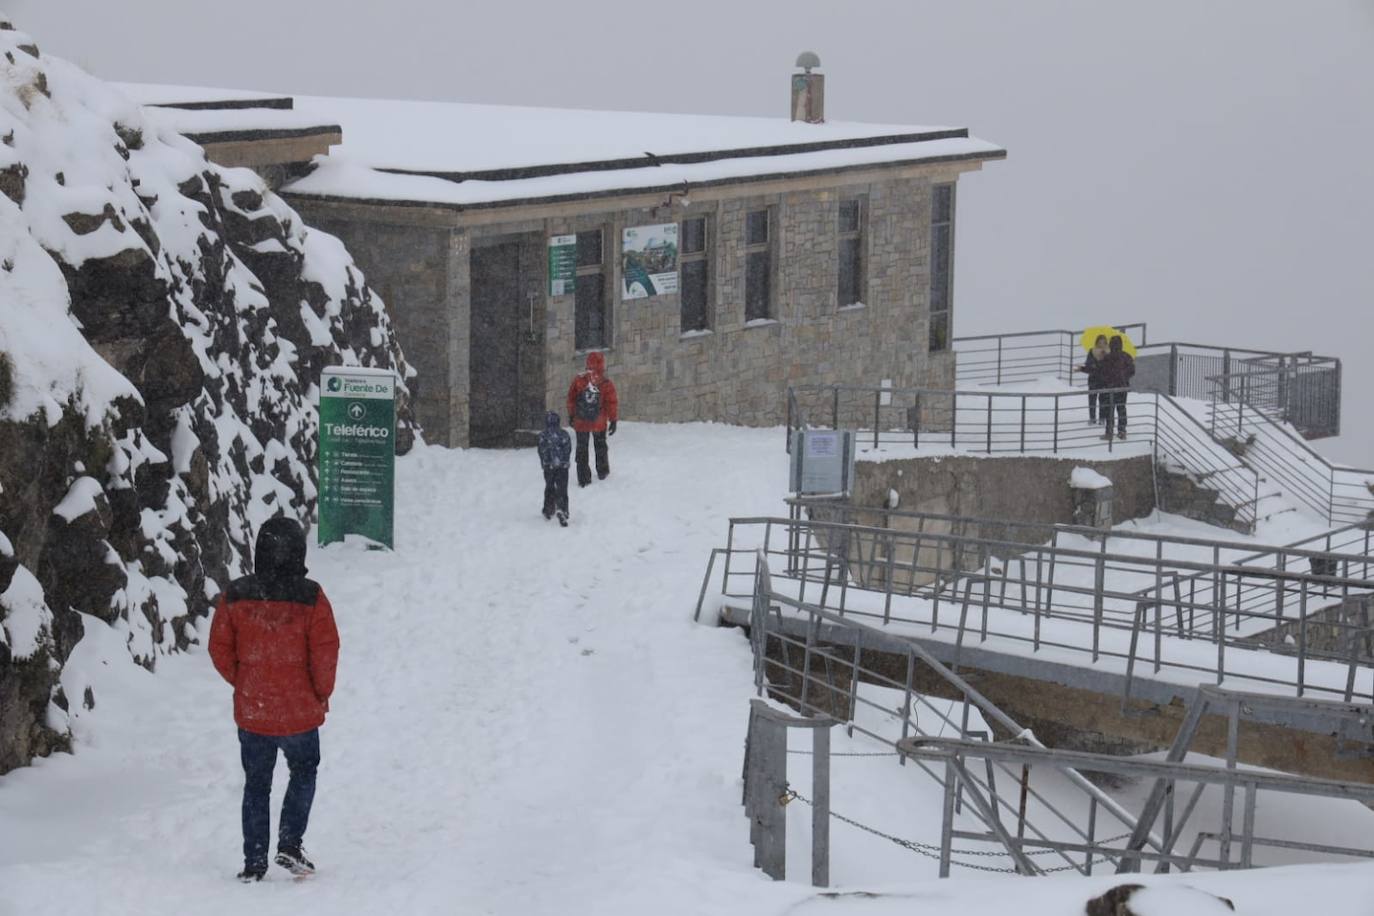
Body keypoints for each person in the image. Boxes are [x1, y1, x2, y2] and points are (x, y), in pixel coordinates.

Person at [209, 517, 339, 883]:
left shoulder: (235, 595)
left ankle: (254, 863)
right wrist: (319, 692)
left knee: (256, 783)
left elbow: (219, 648)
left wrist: (245, 681)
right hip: (299, 712)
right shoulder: (312, 596)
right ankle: (290, 843)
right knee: (303, 770)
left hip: (253, 711)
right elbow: (325, 652)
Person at [565, 351, 619, 487]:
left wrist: (572, 415)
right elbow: (611, 402)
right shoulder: (605, 382)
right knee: (600, 445)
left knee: (582, 448)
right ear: (602, 365)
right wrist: (613, 420)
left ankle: (583, 478)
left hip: (581, 421)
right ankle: (602, 471)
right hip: (598, 421)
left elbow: (571, 399)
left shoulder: (579, 379)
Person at [1097, 335, 1135, 441]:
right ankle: (1122, 431)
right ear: (1121, 344)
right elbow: (1132, 371)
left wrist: (1107, 380)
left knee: (1110, 410)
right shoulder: (1127, 356)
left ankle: (1109, 433)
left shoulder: (1107, 358)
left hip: (1110, 388)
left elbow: (1101, 373)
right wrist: (1124, 377)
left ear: (1110, 345)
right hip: (1122, 388)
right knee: (1121, 408)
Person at [537, 410, 572, 526]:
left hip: (549, 466)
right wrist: (564, 461)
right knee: (562, 488)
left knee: (550, 486)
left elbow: (542, 451)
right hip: (562, 466)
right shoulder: (564, 434)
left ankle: (549, 509)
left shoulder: (543, 435)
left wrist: (545, 462)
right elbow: (568, 449)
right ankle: (563, 509)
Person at [1074, 334, 1110, 424]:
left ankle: (1102, 418)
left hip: (1104, 380)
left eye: (1104, 342)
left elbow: (1109, 367)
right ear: (1097, 342)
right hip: (1093, 379)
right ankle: (1092, 418)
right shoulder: (1091, 351)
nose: (1101, 344)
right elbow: (1089, 365)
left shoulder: (1109, 353)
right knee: (1092, 400)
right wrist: (1082, 368)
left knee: (1103, 400)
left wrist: (1104, 358)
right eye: (1100, 342)